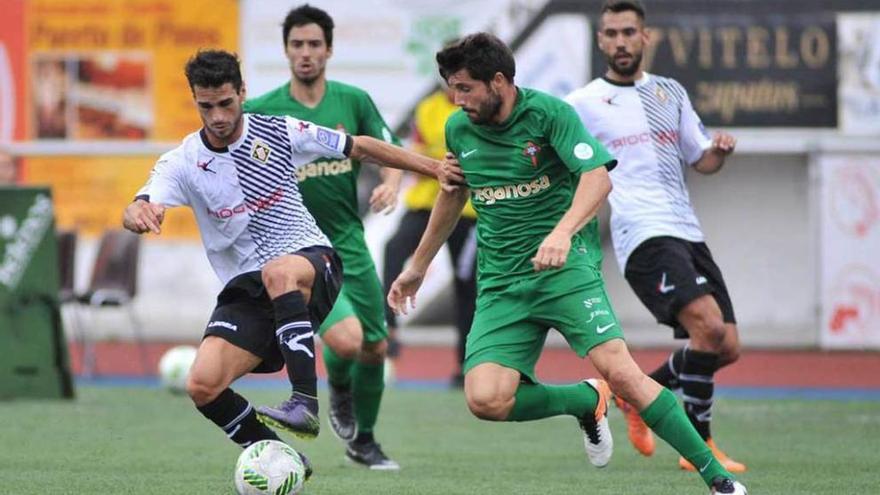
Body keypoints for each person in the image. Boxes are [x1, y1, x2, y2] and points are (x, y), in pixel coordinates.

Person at [387, 33, 746, 494]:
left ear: (498, 81)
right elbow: (452, 194)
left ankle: (716, 480)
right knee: (485, 399)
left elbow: (597, 179)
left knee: (624, 374)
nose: (457, 100)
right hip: (502, 283)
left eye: (465, 88)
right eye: (452, 89)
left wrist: (561, 232)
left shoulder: (550, 114)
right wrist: (418, 265)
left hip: (565, 271)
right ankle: (584, 399)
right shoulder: (460, 129)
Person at [122, 50, 439, 477]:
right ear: (195, 101)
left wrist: (435, 168)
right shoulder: (182, 162)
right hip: (247, 289)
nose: (217, 116)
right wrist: (139, 212)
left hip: (311, 259)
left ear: (242, 93)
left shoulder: (277, 130)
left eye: (226, 103)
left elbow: (359, 146)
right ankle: (282, 457)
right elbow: (141, 201)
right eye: (206, 106)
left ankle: (304, 401)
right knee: (202, 384)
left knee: (282, 274)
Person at [564, 0, 745, 473]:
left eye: (629, 32)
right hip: (640, 232)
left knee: (726, 346)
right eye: (611, 34)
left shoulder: (670, 93)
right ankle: (700, 449)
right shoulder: (581, 104)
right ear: (600, 41)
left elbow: (700, 158)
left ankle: (632, 394)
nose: (620, 41)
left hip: (687, 230)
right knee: (707, 327)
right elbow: (555, 157)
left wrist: (719, 151)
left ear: (646, 37)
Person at [244, 4, 401, 470]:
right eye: (297, 45)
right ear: (286, 51)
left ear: (329, 49)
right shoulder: (263, 110)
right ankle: (338, 394)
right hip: (301, 251)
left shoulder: (352, 100)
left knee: (375, 345)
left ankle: (363, 440)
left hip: (351, 243)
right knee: (348, 341)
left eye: (314, 44)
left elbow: (385, 147)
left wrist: (391, 183)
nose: (306, 53)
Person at [382, 86, 478, 388]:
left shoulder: (476, 110)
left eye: (463, 81)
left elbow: (475, 166)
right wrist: (441, 164)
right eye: (451, 79)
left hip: (468, 211)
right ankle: (390, 330)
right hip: (426, 202)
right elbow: (417, 156)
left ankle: (467, 365)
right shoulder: (429, 107)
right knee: (393, 248)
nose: (456, 87)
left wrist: (439, 164)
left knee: (467, 285)